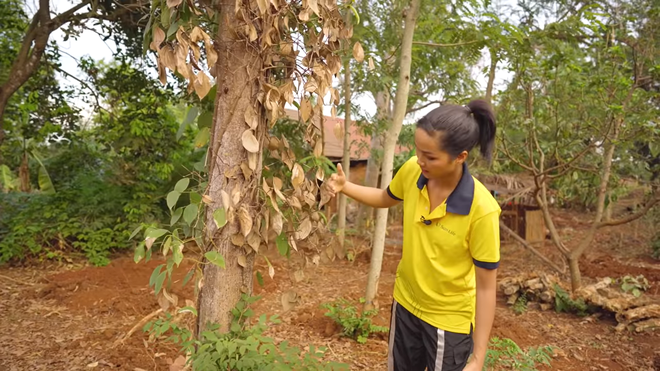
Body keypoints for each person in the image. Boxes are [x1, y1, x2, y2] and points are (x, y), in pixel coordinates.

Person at [327, 99, 500, 371]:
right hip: (406, 304)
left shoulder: (482, 210)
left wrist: (477, 358)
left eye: (430, 157)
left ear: (460, 157)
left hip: (448, 321)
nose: (420, 161)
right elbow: (386, 197)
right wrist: (345, 186)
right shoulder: (412, 170)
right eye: (418, 151)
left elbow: (487, 287)